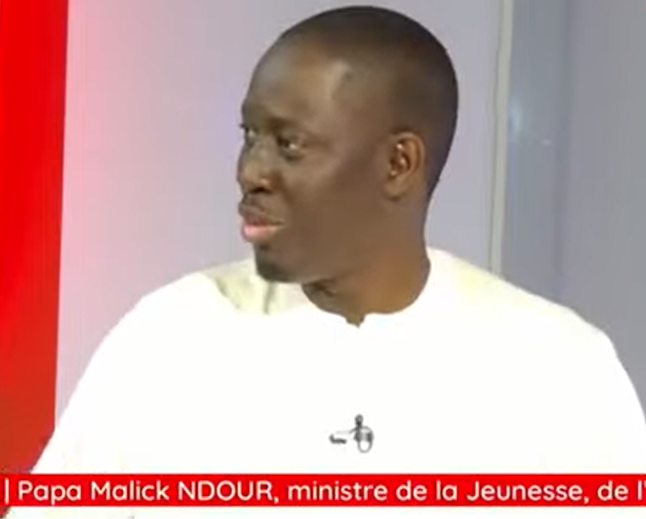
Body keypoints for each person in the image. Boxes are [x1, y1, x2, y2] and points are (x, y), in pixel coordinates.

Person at [7, 5, 646, 519]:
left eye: (289, 144)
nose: (251, 171)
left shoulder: (560, 368)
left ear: (398, 164)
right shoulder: (170, 338)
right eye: (250, 136)